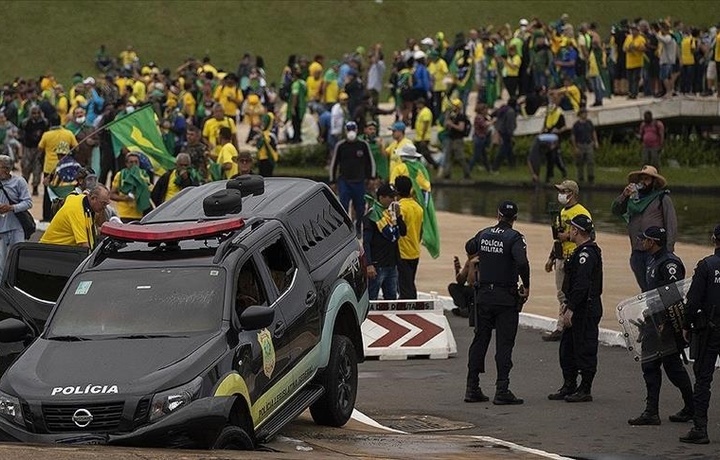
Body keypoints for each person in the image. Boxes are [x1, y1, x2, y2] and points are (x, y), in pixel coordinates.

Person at [464, 201, 529, 405]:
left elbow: (469, 246)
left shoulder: (484, 233)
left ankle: (472, 387)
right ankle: (502, 389)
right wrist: (526, 285)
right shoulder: (515, 238)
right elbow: (521, 262)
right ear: (515, 219)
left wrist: (479, 259)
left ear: (497, 214)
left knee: (480, 340)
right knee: (504, 344)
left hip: (483, 295)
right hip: (505, 298)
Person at [628, 226, 694, 426]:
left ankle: (690, 407)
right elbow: (652, 293)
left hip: (665, 323)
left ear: (654, 242)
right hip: (653, 320)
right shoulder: (652, 259)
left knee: (672, 367)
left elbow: (673, 296)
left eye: (645, 239)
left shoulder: (669, 264)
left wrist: (665, 322)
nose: (642, 242)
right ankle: (652, 410)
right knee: (650, 365)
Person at [548, 214, 602, 403]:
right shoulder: (580, 251)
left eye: (571, 229)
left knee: (585, 347)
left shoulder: (586, 254)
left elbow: (582, 285)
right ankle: (569, 384)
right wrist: (566, 303)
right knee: (567, 348)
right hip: (575, 304)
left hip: (585, 308)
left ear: (577, 231)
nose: (568, 231)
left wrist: (570, 308)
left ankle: (585, 388)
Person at [679, 224, 720, 445]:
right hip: (711, 326)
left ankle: (700, 428)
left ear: (715, 239)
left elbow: (693, 300)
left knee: (703, 379)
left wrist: (686, 325)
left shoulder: (706, 266)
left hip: (709, 329)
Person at [611, 165, 677, 292]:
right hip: (637, 251)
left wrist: (668, 251)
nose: (643, 182)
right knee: (645, 289)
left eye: (646, 179)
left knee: (657, 288)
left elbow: (671, 225)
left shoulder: (662, 198)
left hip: (656, 252)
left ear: (654, 182)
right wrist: (624, 195)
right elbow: (616, 210)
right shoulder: (633, 199)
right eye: (641, 179)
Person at [543, 180, 592, 342]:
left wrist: (569, 236)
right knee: (561, 293)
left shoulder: (581, 212)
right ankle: (563, 323)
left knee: (570, 292)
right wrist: (551, 257)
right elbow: (558, 238)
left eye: (563, 191)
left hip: (574, 256)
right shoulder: (562, 212)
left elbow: (590, 234)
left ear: (571, 193)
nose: (560, 194)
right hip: (561, 256)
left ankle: (562, 326)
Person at [329, 121, 375, 236]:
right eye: (349, 130)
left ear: (356, 130)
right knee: (343, 206)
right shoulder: (341, 146)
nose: (351, 132)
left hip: (359, 182)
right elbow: (334, 163)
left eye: (353, 130)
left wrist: (371, 178)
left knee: (360, 207)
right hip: (344, 181)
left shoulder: (363, 145)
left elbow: (370, 163)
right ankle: (345, 229)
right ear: (346, 131)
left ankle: (358, 226)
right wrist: (332, 180)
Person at [362, 183, 406, 301]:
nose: (394, 200)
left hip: (391, 264)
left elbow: (403, 232)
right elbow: (366, 242)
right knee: (372, 299)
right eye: (391, 197)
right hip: (377, 265)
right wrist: (369, 264)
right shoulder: (372, 215)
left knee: (391, 299)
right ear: (381, 197)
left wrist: (398, 216)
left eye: (395, 197)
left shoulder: (391, 215)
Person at [40, 185, 111, 249]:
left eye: (106, 204)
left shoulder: (83, 201)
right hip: (50, 250)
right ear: (93, 198)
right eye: (103, 203)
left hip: (63, 249)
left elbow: (99, 225)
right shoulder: (77, 211)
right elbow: (84, 246)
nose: (104, 207)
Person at [0, 155, 32, 279]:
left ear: (7, 169)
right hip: (1, 229)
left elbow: (28, 202)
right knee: (1, 264)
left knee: (16, 259)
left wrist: (12, 208)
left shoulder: (19, 182)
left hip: (16, 227)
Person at [395, 175, 423, 299]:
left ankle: (410, 311)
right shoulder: (418, 208)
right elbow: (421, 231)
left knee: (405, 287)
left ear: (397, 190)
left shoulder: (399, 208)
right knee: (410, 283)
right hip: (415, 251)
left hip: (402, 252)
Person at [110, 152, 152, 222]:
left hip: (139, 214)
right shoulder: (120, 175)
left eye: (136, 162)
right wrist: (124, 198)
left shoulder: (144, 175)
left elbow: (148, 191)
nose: (134, 164)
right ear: (126, 164)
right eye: (131, 162)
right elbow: (111, 195)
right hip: (123, 214)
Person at [570, 108, 599, 184]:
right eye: (584, 113)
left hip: (589, 144)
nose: (585, 115)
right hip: (580, 145)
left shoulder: (589, 123)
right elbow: (573, 136)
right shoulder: (576, 125)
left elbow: (593, 132)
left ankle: (591, 177)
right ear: (580, 115)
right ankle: (580, 178)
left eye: (586, 113)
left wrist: (595, 142)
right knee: (580, 163)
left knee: (590, 161)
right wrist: (575, 147)